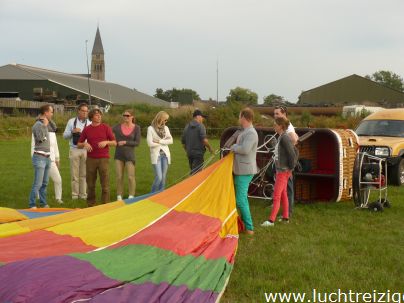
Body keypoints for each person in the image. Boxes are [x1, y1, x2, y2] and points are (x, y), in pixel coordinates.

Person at [261, 117, 296, 227]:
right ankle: (286, 218)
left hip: (283, 171)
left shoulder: (284, 138)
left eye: (275, 124)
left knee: (276, 196)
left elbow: (292, 154)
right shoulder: (282, 137)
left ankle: (271, 221)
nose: (273, 126)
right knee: (284, 194)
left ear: (281, 126)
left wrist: (290, 168)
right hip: (283, 170)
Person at [77, 108, 116, 207]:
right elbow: (78, 144)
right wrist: (85, 144)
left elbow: (114, 142)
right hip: (90, 159)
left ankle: (105, 205)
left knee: (105, 184)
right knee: (90, 184)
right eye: (97, 115)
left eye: (100, 115)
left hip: (104, 159)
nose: (99, 116)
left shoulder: (106, 127)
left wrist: (106, 142)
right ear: (91, 117)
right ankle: (91, 204)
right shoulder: (87, 129)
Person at [230, 108, 258, 235]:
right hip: (241, 170)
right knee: (242, 199)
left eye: (239, 116)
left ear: (244, 118)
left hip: (245, 170)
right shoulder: (245, 131)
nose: (238, 118)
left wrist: (234, 147)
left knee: (240, 200)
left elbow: (245, 150)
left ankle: (249, 228)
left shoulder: (251, 133)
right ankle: (244, 225)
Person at [273, 105, 298, 216]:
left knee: (287, 189)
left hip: (285, 167)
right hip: (284, 165)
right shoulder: (284, 129)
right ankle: (285, 214)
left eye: (277, 114)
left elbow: (294, 139)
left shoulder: (287, 129)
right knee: (283, 191)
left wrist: (290, 166)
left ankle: (288, 212)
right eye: (274, 114)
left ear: (284, 114)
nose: (275, 116)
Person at [31, 118, 63, 204]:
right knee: (39, 181)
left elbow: (55, 146)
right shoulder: (37, 131)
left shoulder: (52, 134)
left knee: (58, 179)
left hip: (51, 159)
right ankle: (36, 198)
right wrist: (34, 159)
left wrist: (57, 158)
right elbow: (33, 146)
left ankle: (58, 198)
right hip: (40, 158)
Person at [63, 103, 90, 200]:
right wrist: (72, 132)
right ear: (78, 111)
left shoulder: (90, 123)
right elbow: (64, 136)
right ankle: (75, 195)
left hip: (85, 150)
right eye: (83, 111)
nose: (85, 113)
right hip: (74, 149)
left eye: (86, 111)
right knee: (74, 174)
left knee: (84, 174)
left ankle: (83, 194)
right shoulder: (71, 121)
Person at [28, 104, 54, 209]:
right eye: (51, 112)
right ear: (45, 113)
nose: (52, 114)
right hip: (39, 158)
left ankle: (43, 203)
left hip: (47, 158)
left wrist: (48, 122)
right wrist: (44, 125)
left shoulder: (46, 123)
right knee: (37, 183)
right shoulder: (37, 125)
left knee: (45, 183)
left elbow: (55, 128)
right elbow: (40, 138)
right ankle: (32, 204)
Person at [112, 109, 141, 200]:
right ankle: (119, 195)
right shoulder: (117, 127)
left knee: (130, 177)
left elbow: (137, 143)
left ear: (132, 117)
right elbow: (107, 133)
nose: (125, 117)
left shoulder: (137, 128)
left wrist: (125, 142)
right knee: (119, 177)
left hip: (130, 156)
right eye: (124, 115)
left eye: (127, 115)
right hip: (118, 155)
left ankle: (131, 195)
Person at [147, 111, 173, 193]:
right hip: (156, 156)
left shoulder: (166, 128)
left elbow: (171, 140)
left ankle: (161, 194)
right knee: (159, 177)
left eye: (167, 120)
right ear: (160, 118)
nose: (166, 122)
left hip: (165, 155)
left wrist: (159, 141)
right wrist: (163, 141)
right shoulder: (150, 128)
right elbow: (149, 143)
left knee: (164, 177)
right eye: (165, 120)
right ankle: (151, 195)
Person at [181, 109, 213, 175]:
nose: (202, 119)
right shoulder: (201, 126)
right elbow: (204, 140)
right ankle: (190, 185)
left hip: (189, 153)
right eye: (202, 117)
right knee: (196, 174)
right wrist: (210, 148)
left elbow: (183, 142)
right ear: (198, 116)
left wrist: (187, 151)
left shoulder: (187, 126)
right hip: (198, 154)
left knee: (193, 171)